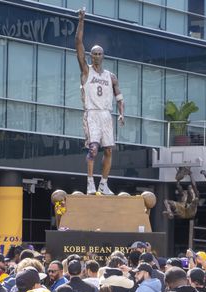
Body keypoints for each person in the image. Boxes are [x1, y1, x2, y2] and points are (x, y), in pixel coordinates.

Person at [75, 7, 125, 195]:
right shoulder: (86, 71)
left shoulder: (111, 76)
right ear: (90, 56)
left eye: (99, 53)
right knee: (93, 150)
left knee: (109, 151)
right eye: (94, 53)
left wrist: (121, 113)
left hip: (106, 115)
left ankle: (103, 185)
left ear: (103, 56)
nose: (96, 56)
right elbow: (78, 43)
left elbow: (119, 96)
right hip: (92, 113)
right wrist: (81, 20)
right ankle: (90, 184)